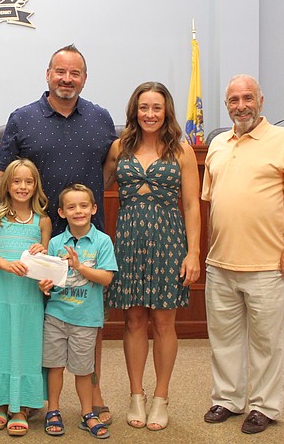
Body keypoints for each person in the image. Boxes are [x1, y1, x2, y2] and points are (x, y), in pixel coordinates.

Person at [0, 44, 117, 423]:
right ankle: (27, 395)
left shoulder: (100, 117)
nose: (67, 79)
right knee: (32, 321)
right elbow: (2, 176)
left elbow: (108, 170)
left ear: (84, 78)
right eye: (60, 71)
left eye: (74, 73)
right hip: (34, 234)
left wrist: (83, 210)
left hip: (84, 236)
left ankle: (91, 391)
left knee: (85, 314)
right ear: (48, 74)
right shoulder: (23, 118)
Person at [201, 74, 284, 435]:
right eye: (233, 100)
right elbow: (211, 204)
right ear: (227, 105)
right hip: (220, 262)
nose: (240, 106)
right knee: (224, 338)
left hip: (269, 263)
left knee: (267, 341)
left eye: (247, 98)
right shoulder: (217, 144)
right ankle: (227, 399)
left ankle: (263, 406)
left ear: (261, 101)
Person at [103, 82, 201, 431]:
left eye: (156, 108)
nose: (150, 114)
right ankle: (136, 395)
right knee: (132, 321)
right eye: (143, 107)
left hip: (168, 241)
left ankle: (161, 396)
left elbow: (191, 205)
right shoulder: (119, 147)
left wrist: (193, 252)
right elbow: (96, 188)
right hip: (129, 240)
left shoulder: (181, 151)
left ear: (166, 111)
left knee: (163, 323)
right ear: (135, 110)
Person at [38, 184, 118, 439]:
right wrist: (45, 284)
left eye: (84, 206)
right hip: (56, 316)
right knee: (55, 367)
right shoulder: (55, 243)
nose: (78, 211)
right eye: (71, 207)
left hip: (86, 319)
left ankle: (87, 412)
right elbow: (49, 280)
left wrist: (79, 267)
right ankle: (53, 410)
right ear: (61, 212)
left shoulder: (102, 241)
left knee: (84, 370)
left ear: (94, 209)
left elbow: (106, 278)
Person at [0, 158, 52, 436]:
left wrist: (41, 250)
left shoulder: (42, 221)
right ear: (7, 185)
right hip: (1, 290)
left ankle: (20, 406)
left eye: (28, 182)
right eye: (17, 181)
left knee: (25, 344)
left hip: (28, 295)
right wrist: (7, 265)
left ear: (36, 186)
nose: (22, 186)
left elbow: (45, 261)